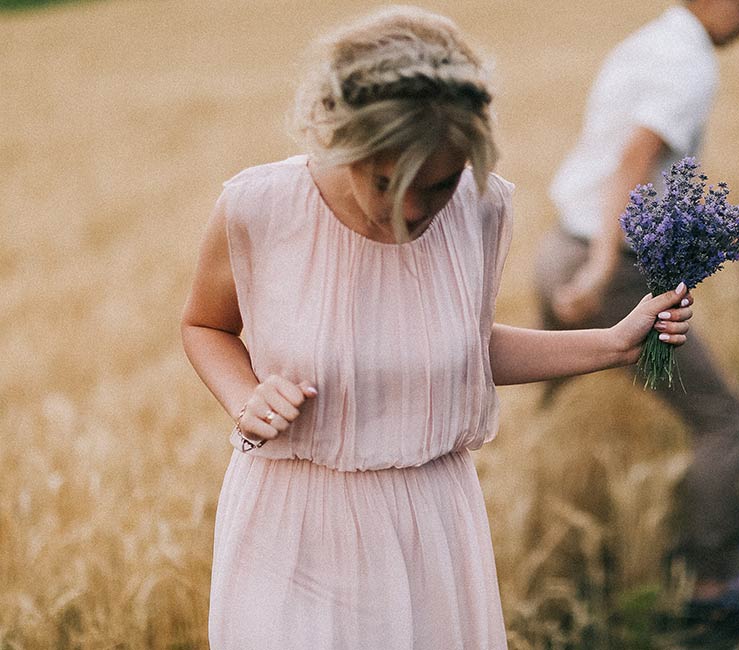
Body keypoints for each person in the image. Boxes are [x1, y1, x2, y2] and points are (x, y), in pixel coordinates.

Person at [180, 6, 695, 648]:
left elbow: (464, 349)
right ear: (346, 142)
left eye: (441, 183)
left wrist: (614, 344)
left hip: (428, 527)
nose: (415, 210)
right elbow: (205, 326)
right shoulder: (259, 208)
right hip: (292, 525)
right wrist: (244, 398)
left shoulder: (482, 209)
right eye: (388, 182)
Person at [534, 0, 739, 606]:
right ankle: (711, 584)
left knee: (539, 403)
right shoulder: (688, 63)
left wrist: (728, 226)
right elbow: (633, 164)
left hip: (560, 246)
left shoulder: (648, 42)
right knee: (723, 417)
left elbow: (662, 173)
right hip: (607, 269)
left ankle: (524, 526)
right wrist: (603, 268)